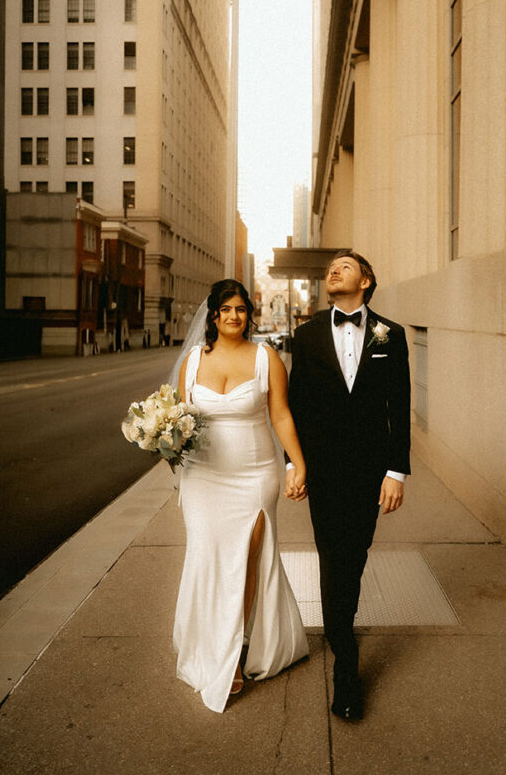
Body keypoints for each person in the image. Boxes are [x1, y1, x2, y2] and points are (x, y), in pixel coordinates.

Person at [172, 279, 309, 713]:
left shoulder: (266, 357)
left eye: (241, 309)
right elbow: (180, 418)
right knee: (208, 556)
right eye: (226, 309)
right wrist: (163, 439)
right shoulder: (193, 361)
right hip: (203, 478)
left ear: (249, 315)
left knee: (246, 558)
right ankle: (213, 643)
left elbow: (281, 414)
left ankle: (235, 649)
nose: (234, 316)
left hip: (254, 474)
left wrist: (297, 463)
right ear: (213, 314)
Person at [288, 250, 411, 720]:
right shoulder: (308, 333)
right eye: (330, 268)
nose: (332, 271)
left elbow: (397, 405)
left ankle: (341, 626)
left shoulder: (390, 334)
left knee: (352, 558)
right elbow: (296, 404)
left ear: (366, 279)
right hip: (322, 470)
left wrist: (396, 471)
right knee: (330, 556)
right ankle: (347, 665)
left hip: (368, 470)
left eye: (343, 265)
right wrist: (293, 464)